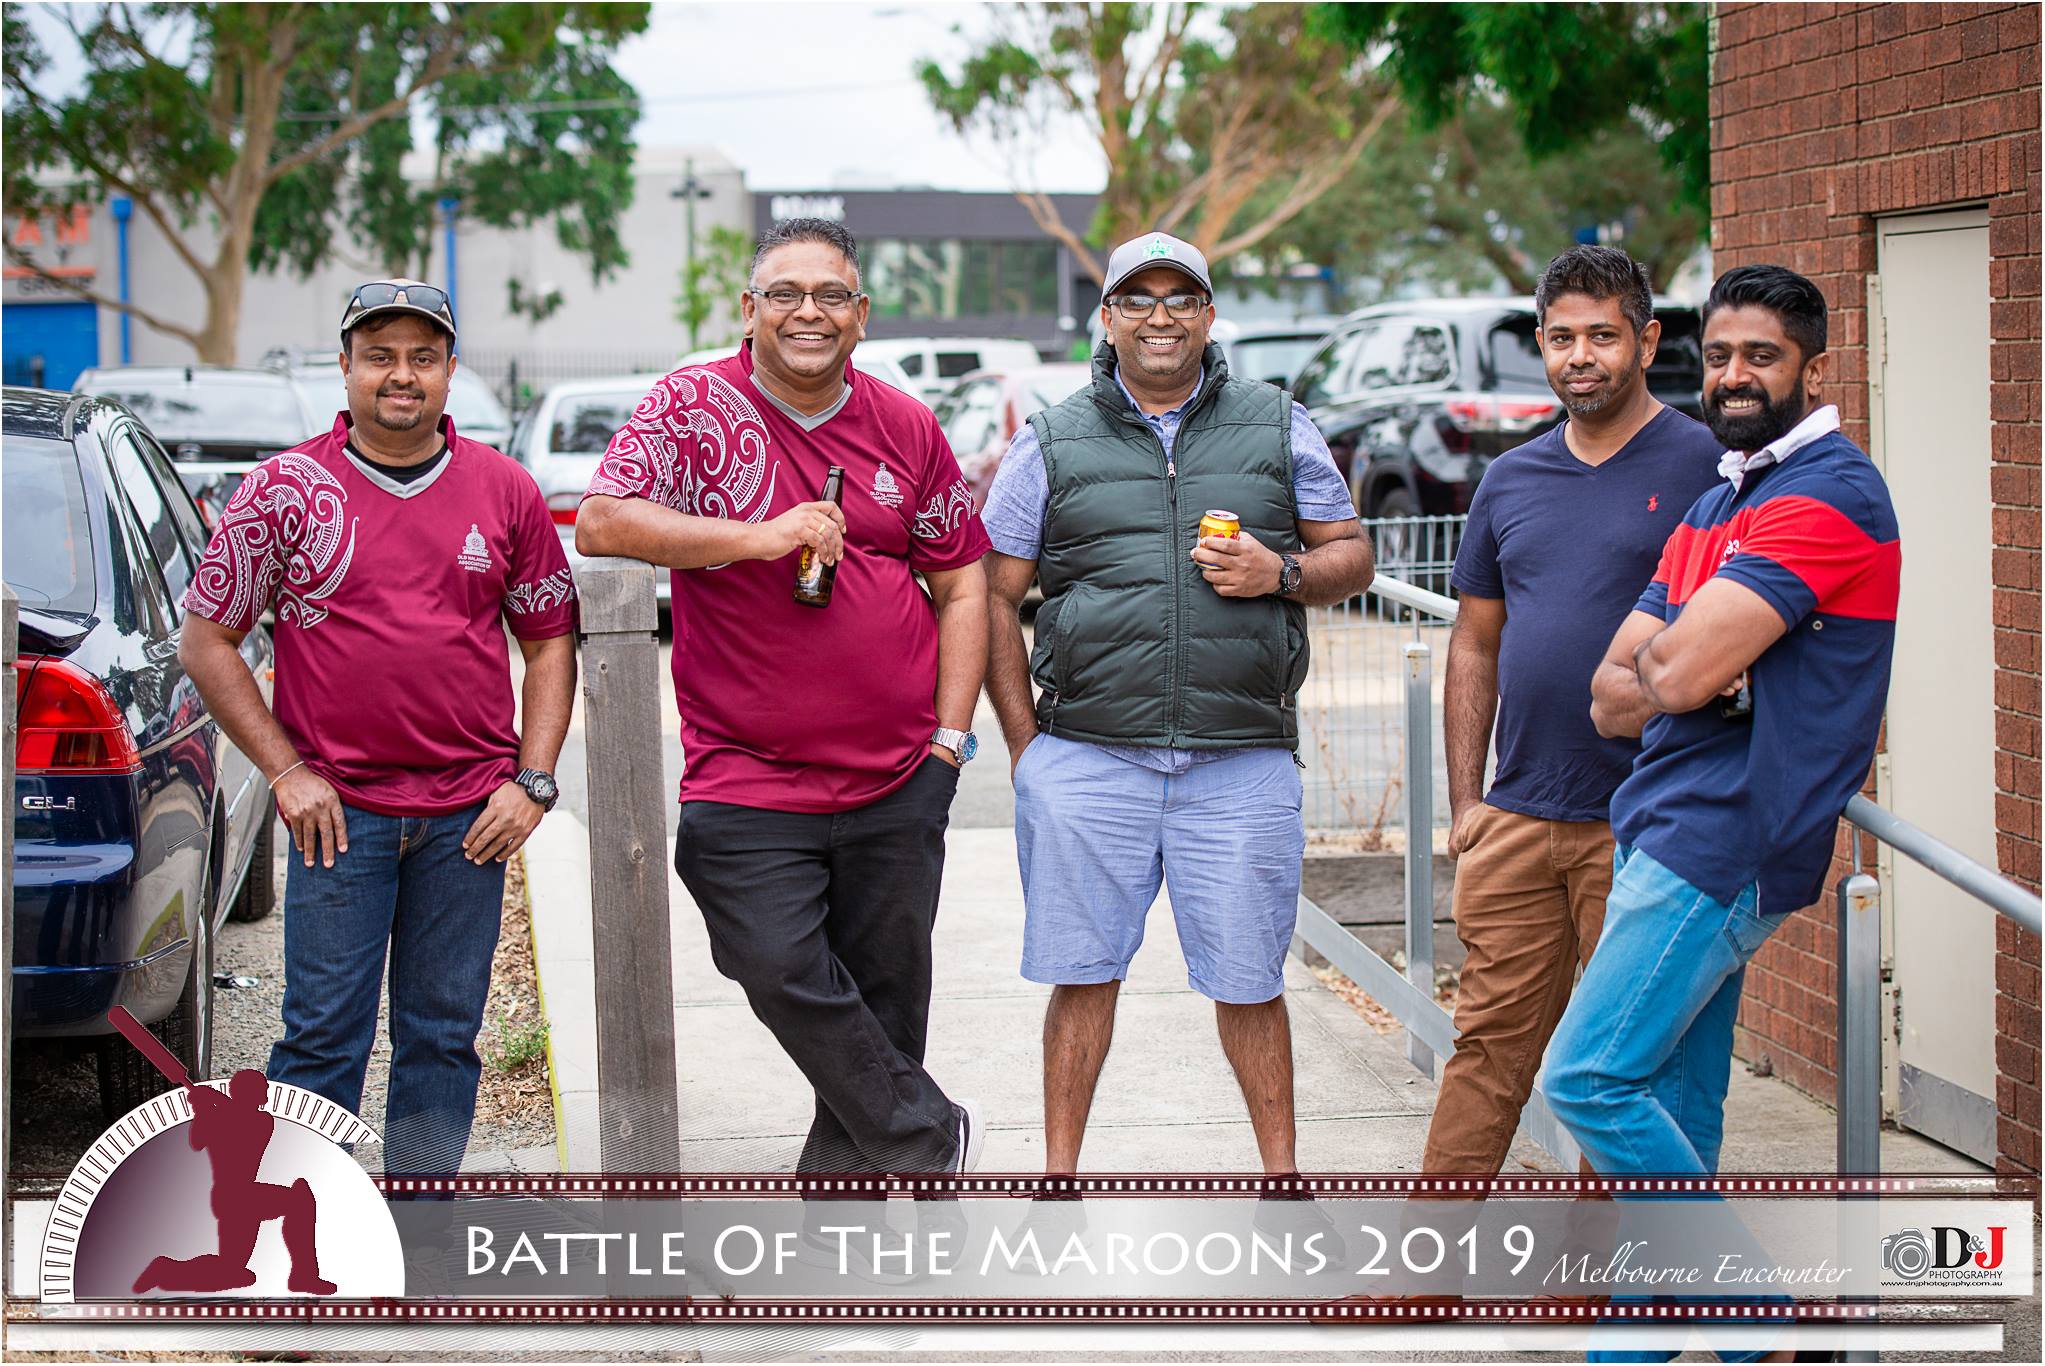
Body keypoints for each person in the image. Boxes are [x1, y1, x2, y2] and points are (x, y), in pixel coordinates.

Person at [574, 218, 992, 1187]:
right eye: (785, 293)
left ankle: (843, 1220)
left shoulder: (903, 423)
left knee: (884, 1009)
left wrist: (949, 740)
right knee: (774, 963)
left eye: (831, 295)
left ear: (861, 314)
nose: (809, 312)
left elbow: (962, 579)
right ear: (749, 307)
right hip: (747, 775)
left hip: (899, 775)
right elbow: (600, 520)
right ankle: (926, 1132)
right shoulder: (691, 407)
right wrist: (757, 538)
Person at [980, 231, 1374, 1189]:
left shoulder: (1279, 422)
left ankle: (1281, 1178)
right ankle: (1059, 1175)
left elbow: (1352, 556)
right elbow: (991, 594)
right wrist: (1027, 748)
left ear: (1207, 315)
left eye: (1179, 298)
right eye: (1137, 299)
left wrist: (1279, 572)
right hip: (1089, 756)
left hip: (1237, 758)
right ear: (1107, 319)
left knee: (1250, 981)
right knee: (1084, 976)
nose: (1159, 316)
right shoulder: (1050, 440)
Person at [180, 280, 579, 1179]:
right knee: (322, 1038)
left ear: (447, 370)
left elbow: (549, 641)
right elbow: (207, 640)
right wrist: (285, 771)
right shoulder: (283, 491)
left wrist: (534, 780)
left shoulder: (505, 490)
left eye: (423, 357)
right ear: (347, 367)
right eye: (381, 356)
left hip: (467, 820)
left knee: (444, 1035)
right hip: (338, 813)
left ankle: (422, 1238)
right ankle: (299, 1248)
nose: (402, 376)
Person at [1546, 262, 1900, 1187]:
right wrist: (1707, 670)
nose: (1732, 376)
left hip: (1728, 841)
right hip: (1661, 822)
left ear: (1814, 372)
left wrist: (1695, 663)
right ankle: (1647, 1328)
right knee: (1671, 1096)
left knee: (1586, 1078)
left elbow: (1673, 665)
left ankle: (1755, 1324)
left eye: (1760, 356)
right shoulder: (1718, 502)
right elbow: (1611, 691)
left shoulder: (1830, 495)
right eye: (1716, 356)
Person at [1423, 246, 1724, 1183]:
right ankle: (1422, 1271)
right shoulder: (1510, 478)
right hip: (1516, 814)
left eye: (1602, 335)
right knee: (1485, 1049)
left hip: (1644, 820)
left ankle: (1602, 1276)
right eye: (1560, 338)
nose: (1579, 357)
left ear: (1647, 340)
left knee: (1621, 1067)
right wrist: (1466, 803)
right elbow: (1473, 643)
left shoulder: (1707, 463)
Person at [133, 1070, 334, 1295]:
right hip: (235, 1197)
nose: (266, 1094)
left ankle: (167, 1268)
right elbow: (197, 1141)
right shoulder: (220, 1116)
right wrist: (202, 1109)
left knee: (235, 1271)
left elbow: (242, 1122)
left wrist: (211, 1101)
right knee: (299, 1201)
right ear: (249, 1093)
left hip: (242, 1196)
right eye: (261, 1090)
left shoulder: (261, 1121)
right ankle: (166, 1269)